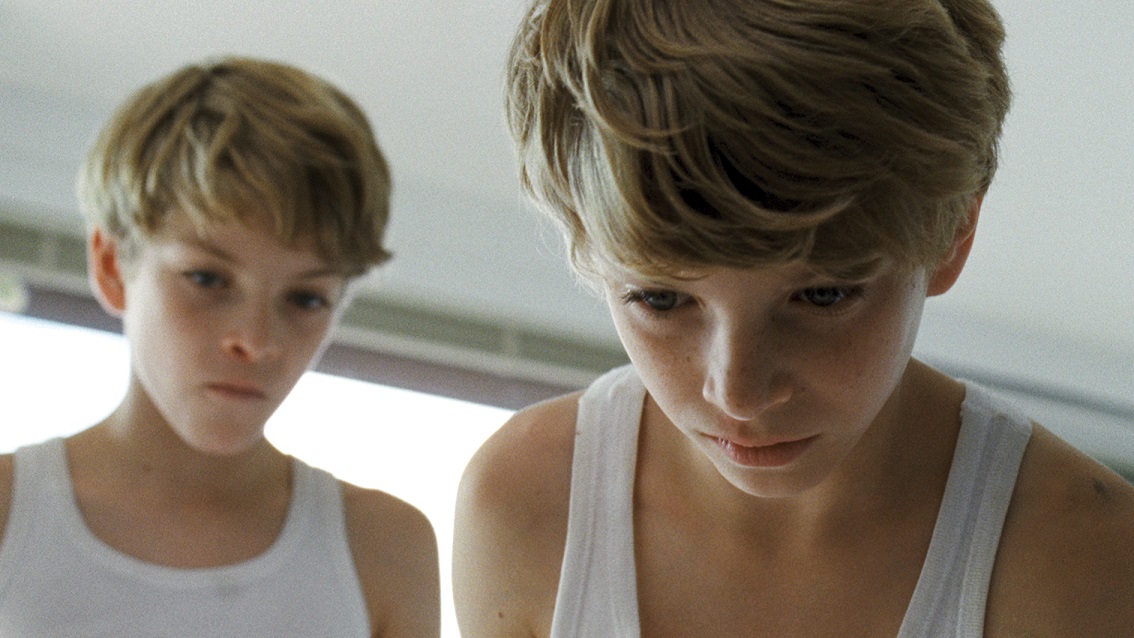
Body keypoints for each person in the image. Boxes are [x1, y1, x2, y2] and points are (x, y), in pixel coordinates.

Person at [453, 0, 1134, 635]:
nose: (739, 393)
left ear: (953, 234)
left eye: (823, 296)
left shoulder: (1088, 562)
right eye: (660, 299)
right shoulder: (525, 507)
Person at [0, 57, 439, 637]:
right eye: (207, 279)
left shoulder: (382, 549)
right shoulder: (10, 515)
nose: (255, 342)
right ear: (110, 266)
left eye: (305, 298)